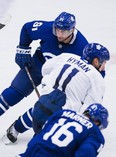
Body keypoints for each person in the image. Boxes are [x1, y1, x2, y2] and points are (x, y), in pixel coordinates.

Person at [0, 12, 88, 139]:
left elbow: (93, 70)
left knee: (45, 107)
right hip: (38, 64)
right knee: (13, 93)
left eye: (64, 32)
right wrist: (23, 49)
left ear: (72, 30)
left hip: (58, 77)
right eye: (57, 30)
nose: (59, 34)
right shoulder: (47, 28)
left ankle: (15, 128)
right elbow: (27, 28)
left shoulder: (82, 47)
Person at [3, 42, 110, 144]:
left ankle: (15, 129)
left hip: (45, 98)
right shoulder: (96, 78)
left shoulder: (67, 56)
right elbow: (91, 107)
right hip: (63, 115)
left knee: (39, 110)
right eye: (104, 62)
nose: (104, 66)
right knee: (46, 144)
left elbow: (45, 69)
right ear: (96, 61)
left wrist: (47, 85)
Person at [17, 103, 109, 157]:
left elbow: (45, 129)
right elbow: (86, 152)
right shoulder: (95, 133)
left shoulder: (63, 113)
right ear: (99, 122)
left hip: (34, 147)